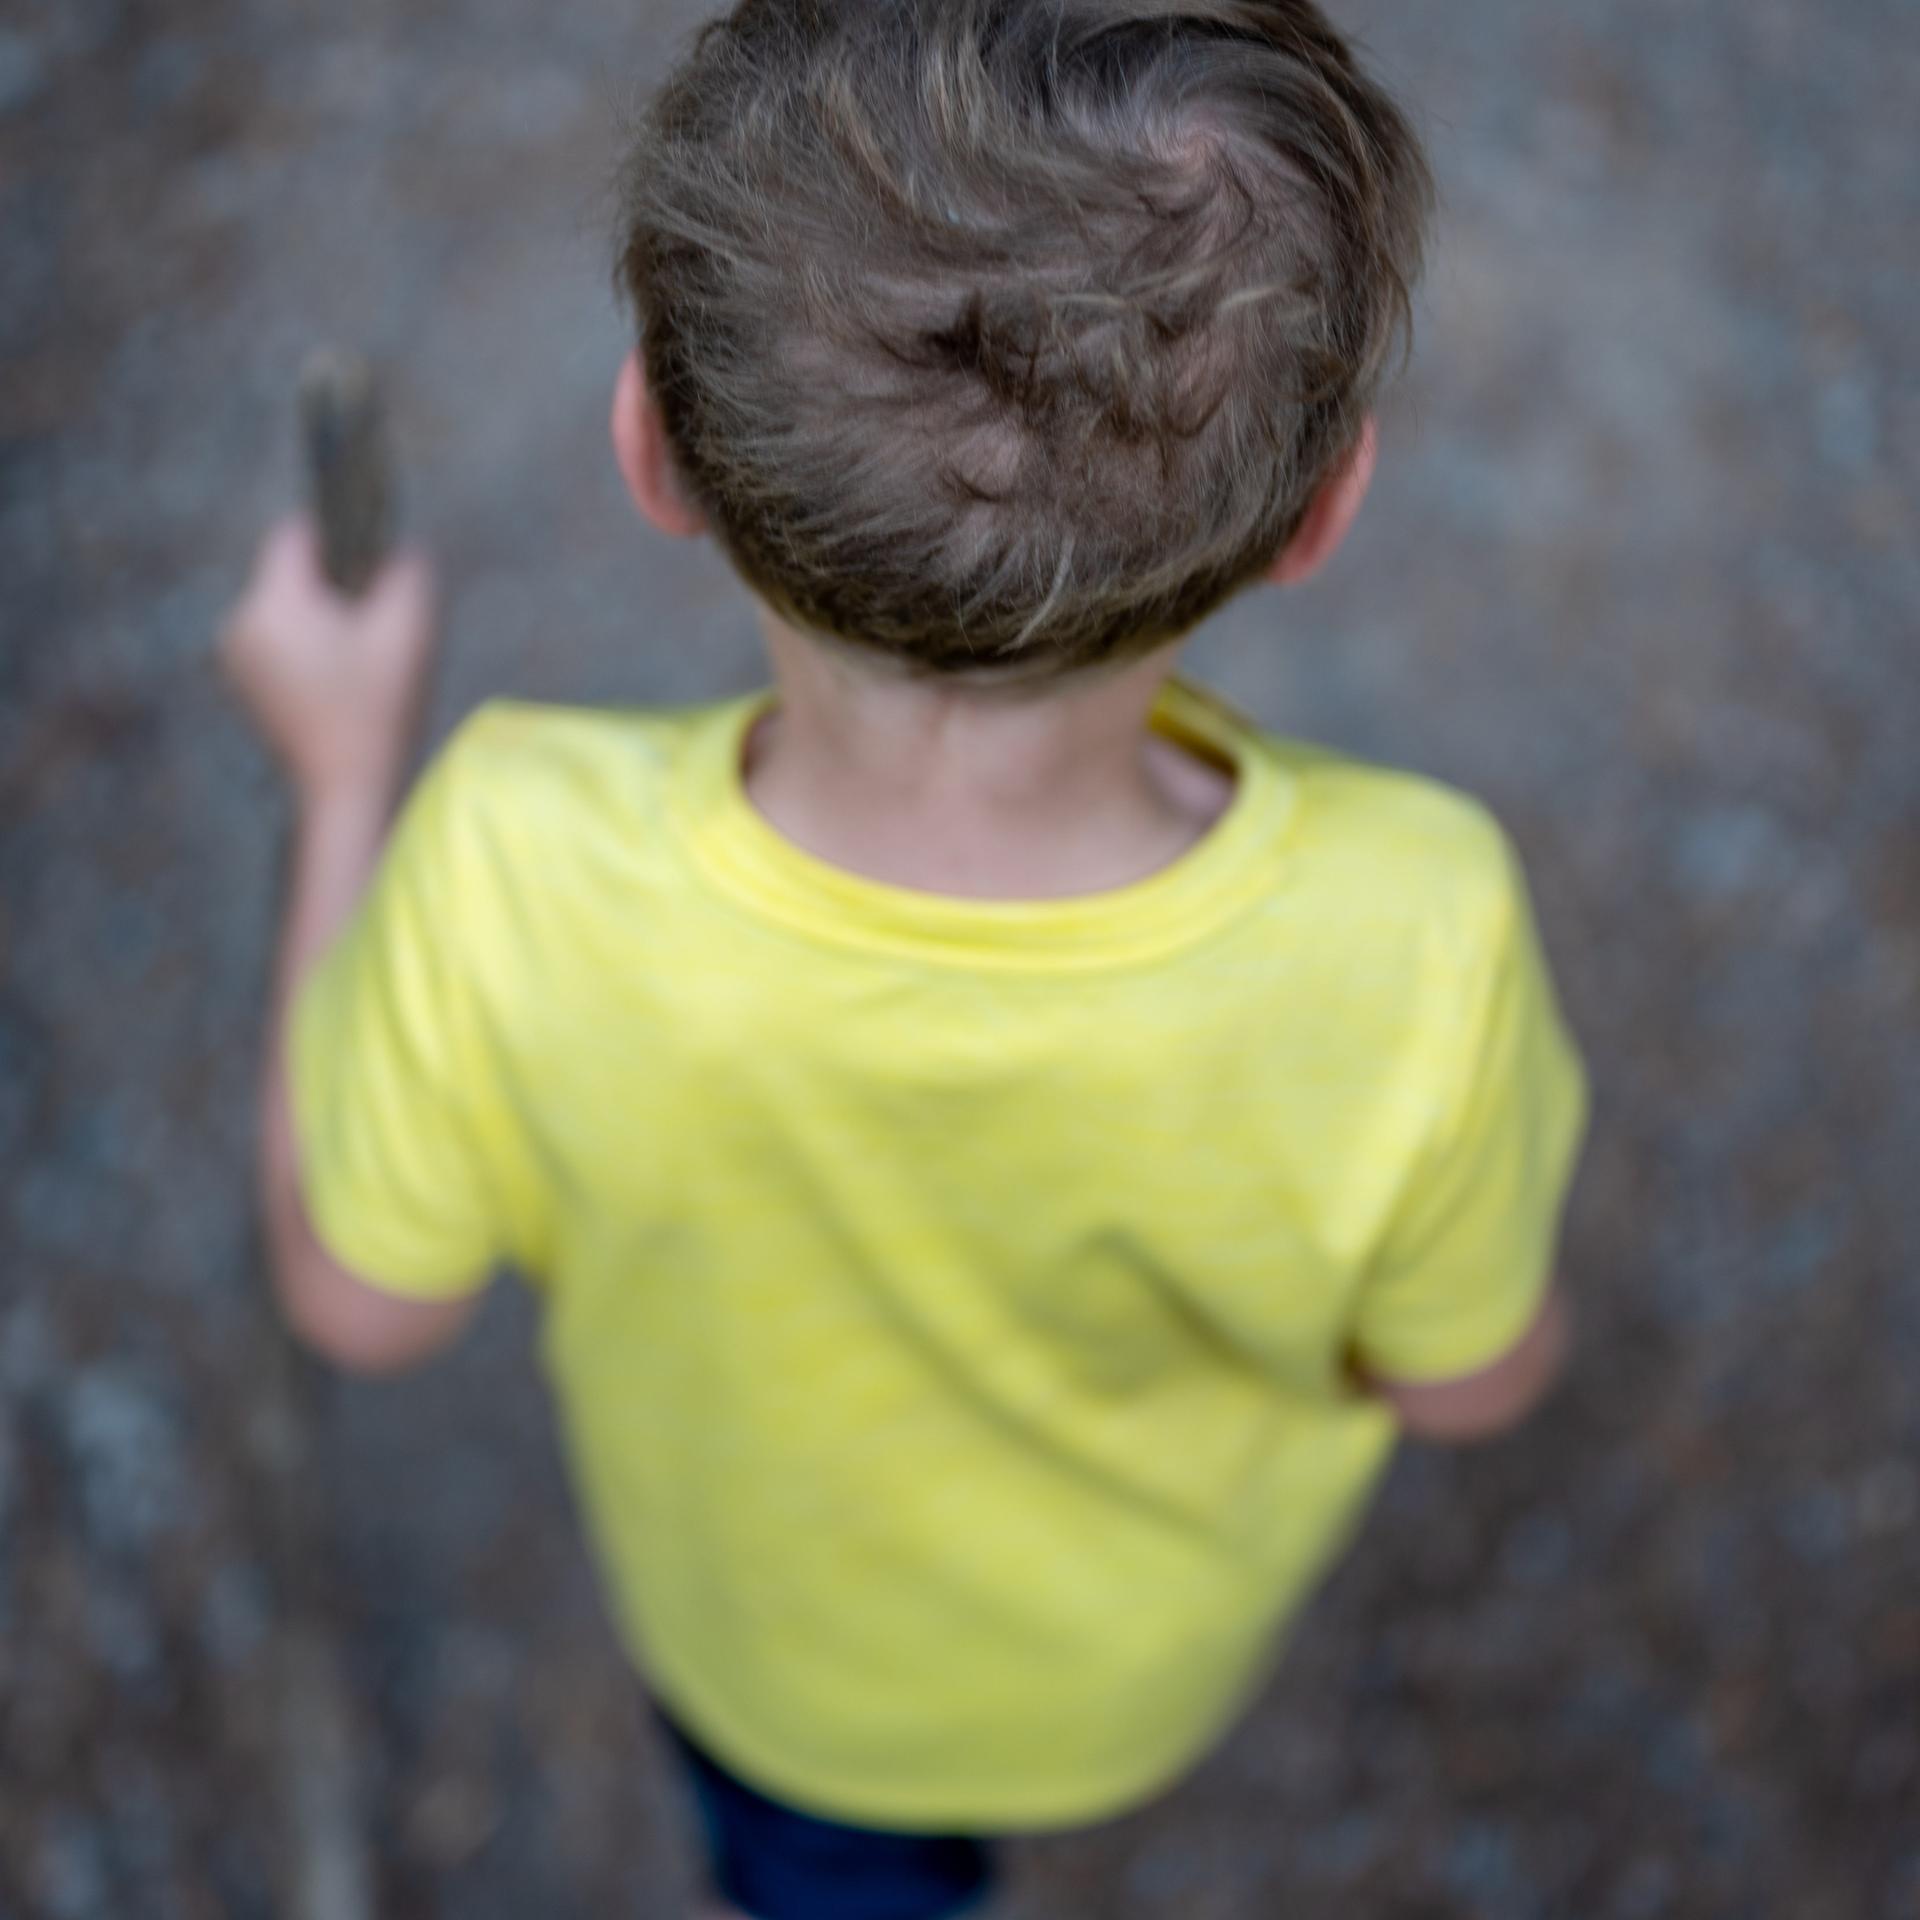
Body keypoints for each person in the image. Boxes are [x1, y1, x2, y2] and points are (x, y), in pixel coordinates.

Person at [222, 1, 1588, 1914]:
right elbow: (1466, 1379)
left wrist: (349, 787)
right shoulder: (1423, 926)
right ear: (1324, 507)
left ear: (650, 442)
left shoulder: (510, 858)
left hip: (781, 1690)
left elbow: (360, 1304)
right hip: (1140, 1673)